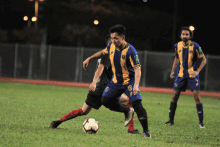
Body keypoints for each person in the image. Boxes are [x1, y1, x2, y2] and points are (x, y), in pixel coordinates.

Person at [50, 36, 139, 134]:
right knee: (128, 101)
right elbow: (100, 68)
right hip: (103, 87)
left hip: (100, 88)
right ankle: (130, 128)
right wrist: (94, 82)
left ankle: (57, 122)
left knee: (83, 111)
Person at [83, 24, 151, 138]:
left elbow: (138, 69)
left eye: (116, 38)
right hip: (116, 82)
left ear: (122, 38)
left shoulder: (131, 51)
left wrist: (136, 86)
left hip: (130, 81)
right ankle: (127, 111)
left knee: (137, 104)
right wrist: (89, 58)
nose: (113, 41)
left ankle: (146, 131)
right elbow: (102, 52)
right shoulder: (111, 46)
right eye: (112, 38)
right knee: (105, 100)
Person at [165, 26, 207, 128]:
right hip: (180, 74)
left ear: (190, 36)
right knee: (175, 96)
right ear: (180, 35)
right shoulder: (177, 46)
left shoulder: (196, 46)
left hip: (192, 75)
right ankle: (171, 121)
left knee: (197, 97)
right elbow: (176, 59)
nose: (185, 36)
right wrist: (172, 71)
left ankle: (201, 123)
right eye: (183, 34)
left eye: (187, 34)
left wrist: (197, 71)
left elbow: (204, 60)